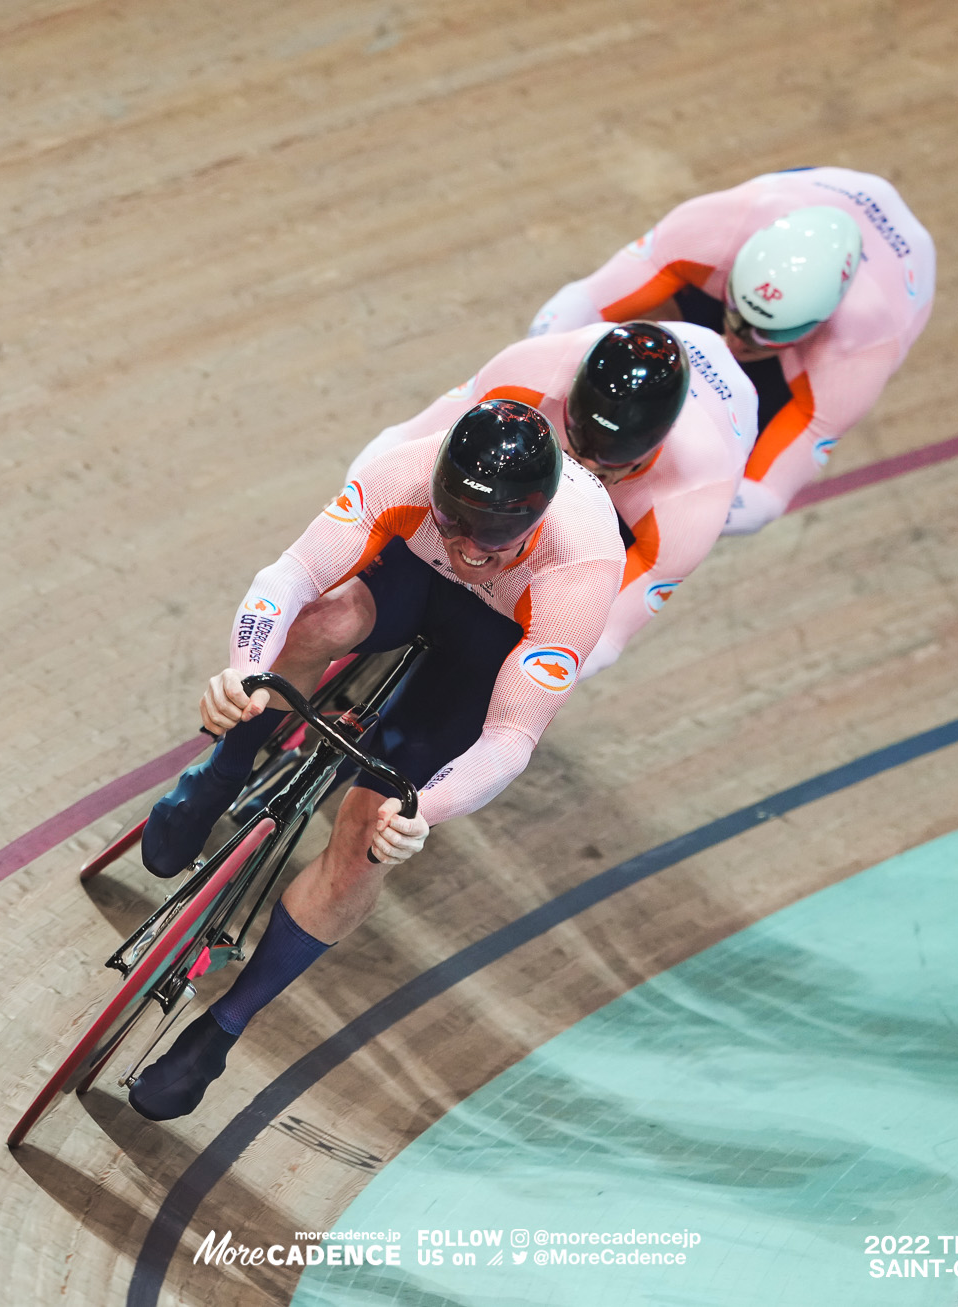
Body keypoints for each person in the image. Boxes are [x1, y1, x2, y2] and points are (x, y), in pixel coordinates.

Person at [128, 400, 624, 1120]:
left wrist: (427, 810)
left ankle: (223, 1026)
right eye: (455, 522)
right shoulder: (407, 475)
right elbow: (290, 575)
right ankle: (221, 775)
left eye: (493, 537)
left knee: (368, 835)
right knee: (318, 621)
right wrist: (243, 669)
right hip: (410, 582)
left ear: (536, 520)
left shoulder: (579, 567)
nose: (470, 548)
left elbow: (510, 739)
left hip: (491, 642)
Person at [529, 166, 936, 535]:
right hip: (778, 208)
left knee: (738, 445)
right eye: (735, 314)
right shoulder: (715, 227)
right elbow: (576, 307)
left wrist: (637, 491)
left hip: (881, 301)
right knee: (633, 330)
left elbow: (761, 500)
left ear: (817, 324)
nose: (735, 340)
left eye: (762, 335)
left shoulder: (857, 349)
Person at [347, 320, 757, 677]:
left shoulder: (695, 492)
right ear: (571, 401)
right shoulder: (541, 367)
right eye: (578, 447)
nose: (586, 469)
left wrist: (531, 681)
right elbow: (404, 443)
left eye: (605, 466)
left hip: (632, 510)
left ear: (653, 448)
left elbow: (603, 634)